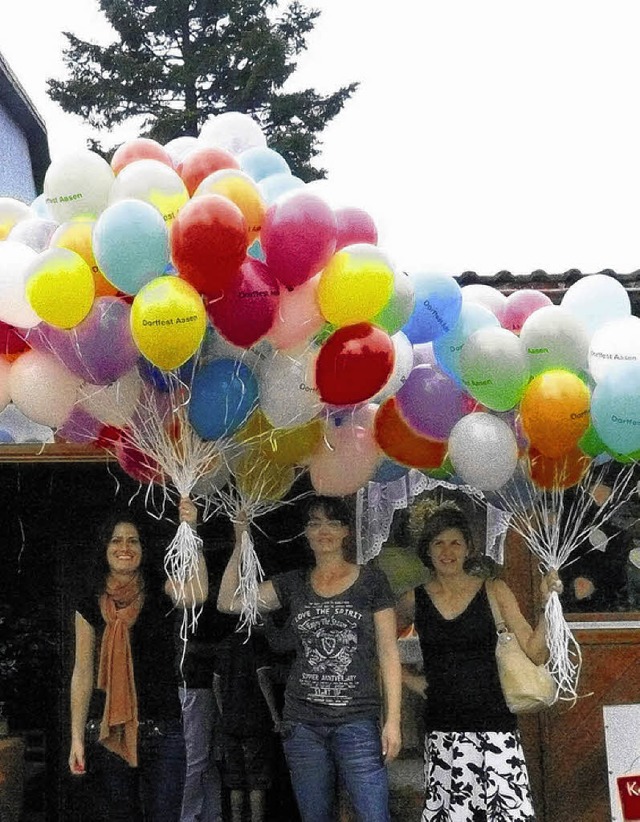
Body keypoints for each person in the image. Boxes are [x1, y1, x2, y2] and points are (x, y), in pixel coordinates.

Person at [217, 494, 402, 822]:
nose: (323, 530)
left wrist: (393, 722)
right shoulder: (293, 583)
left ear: (346, 531)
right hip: (303, 724)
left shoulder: (372, 582)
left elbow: (388, 654)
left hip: (358, 720)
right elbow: (228, 602)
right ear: (305, 533)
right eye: (314, 523)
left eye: (332, 522)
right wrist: (240, 540)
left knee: (375, 815)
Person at [397, 503, 561, 822]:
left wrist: (546, 604)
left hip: (494, 726)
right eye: (438, 543)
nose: (447, 551)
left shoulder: (494, 589)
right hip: (442, 729)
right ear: (426, 550)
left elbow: (537, 652)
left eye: (455, 542)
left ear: (469, 548)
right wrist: (410, 680)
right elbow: (380, 647)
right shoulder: (412, 600)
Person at [69, 498, 209, 822]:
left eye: (133, 540)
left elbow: (198, 593)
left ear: (143, 548)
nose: (125, 547)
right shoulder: (90, 601)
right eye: (116, 540)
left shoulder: (160, 590)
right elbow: (82, 671)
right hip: (108, 732)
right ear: (104, 548)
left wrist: (193, 531)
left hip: (164, 732)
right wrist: (76, 737)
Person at [213, 628, 280, 822]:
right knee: (256, 781)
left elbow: (215, 682)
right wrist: (275, 716)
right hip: (255, 720)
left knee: (235, 781)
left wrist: (223, 711)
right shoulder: (258, 642)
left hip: (231, 721)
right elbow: (263, 679)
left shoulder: (226, 643)